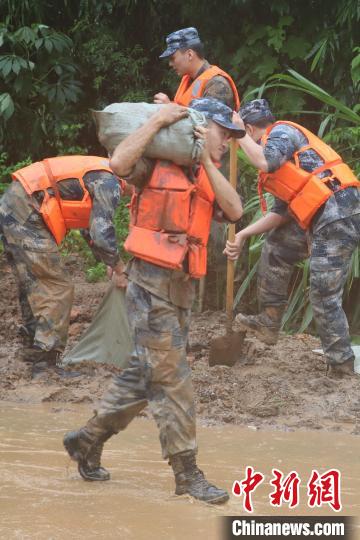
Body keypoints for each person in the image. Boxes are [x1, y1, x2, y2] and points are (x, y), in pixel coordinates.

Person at [63, 98, 244, 504]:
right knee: (173, 377)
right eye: (223, 134)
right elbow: (119, 164)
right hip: (149, 284)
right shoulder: (155, 165)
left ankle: (85, 439)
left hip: (181, 289)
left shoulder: (205, 173)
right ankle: (187, 474)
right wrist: (160, 120)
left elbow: (233, 210)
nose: (227, 143)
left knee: (145, 376)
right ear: (201, 126)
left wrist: (209, 163)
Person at [224, 98, 360, 376]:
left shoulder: (282, 134)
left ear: (249, 129)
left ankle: (342, 365)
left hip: (339, 213)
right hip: (322, 216)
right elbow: (281, 214)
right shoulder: (283, 156)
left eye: (242, 136)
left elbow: (265, 161)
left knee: (323, 293)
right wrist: (242, 235)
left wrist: (237, 133)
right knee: (277, 246)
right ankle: (269, 321)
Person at [0, 156, 128, 375]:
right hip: (26, 209)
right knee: (57, 286)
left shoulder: (102, 173)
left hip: (14, 206)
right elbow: (101, 234)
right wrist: (119, 268)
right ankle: (46, 361)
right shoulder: (110, 183)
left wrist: (108, 261)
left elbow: (90, 228)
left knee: (33, 282)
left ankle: (32, 348)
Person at [154, 27, 240, 110]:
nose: (170, 64)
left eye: (172, 58)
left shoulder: (217, 83)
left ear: (190, 55)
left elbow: (211, 123)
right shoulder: (188, 79)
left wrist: (170, 108)